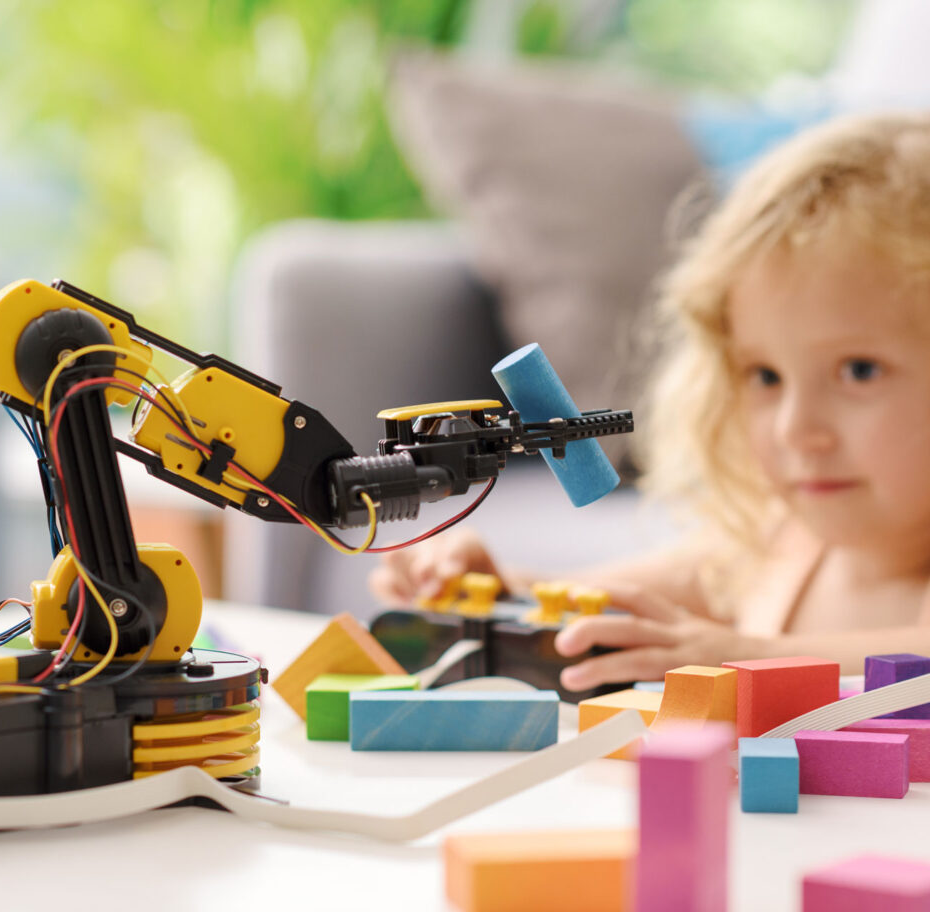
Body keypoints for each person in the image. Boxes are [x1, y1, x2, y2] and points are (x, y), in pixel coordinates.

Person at [368, 112, 930, 694]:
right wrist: (499, 592)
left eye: (859, 371)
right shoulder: (773, 548)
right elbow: (597, 605)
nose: (796, 429)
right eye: (764, 375)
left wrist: (747, 654)